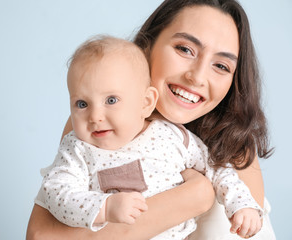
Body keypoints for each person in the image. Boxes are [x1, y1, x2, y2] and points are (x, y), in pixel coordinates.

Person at [26, 0, 275, 239]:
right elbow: (42, 235)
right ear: (148, 45)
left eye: (221, 66)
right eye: (185, 49)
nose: (197, 77)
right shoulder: (95, 127)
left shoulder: (234, 149)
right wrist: (195, 195)